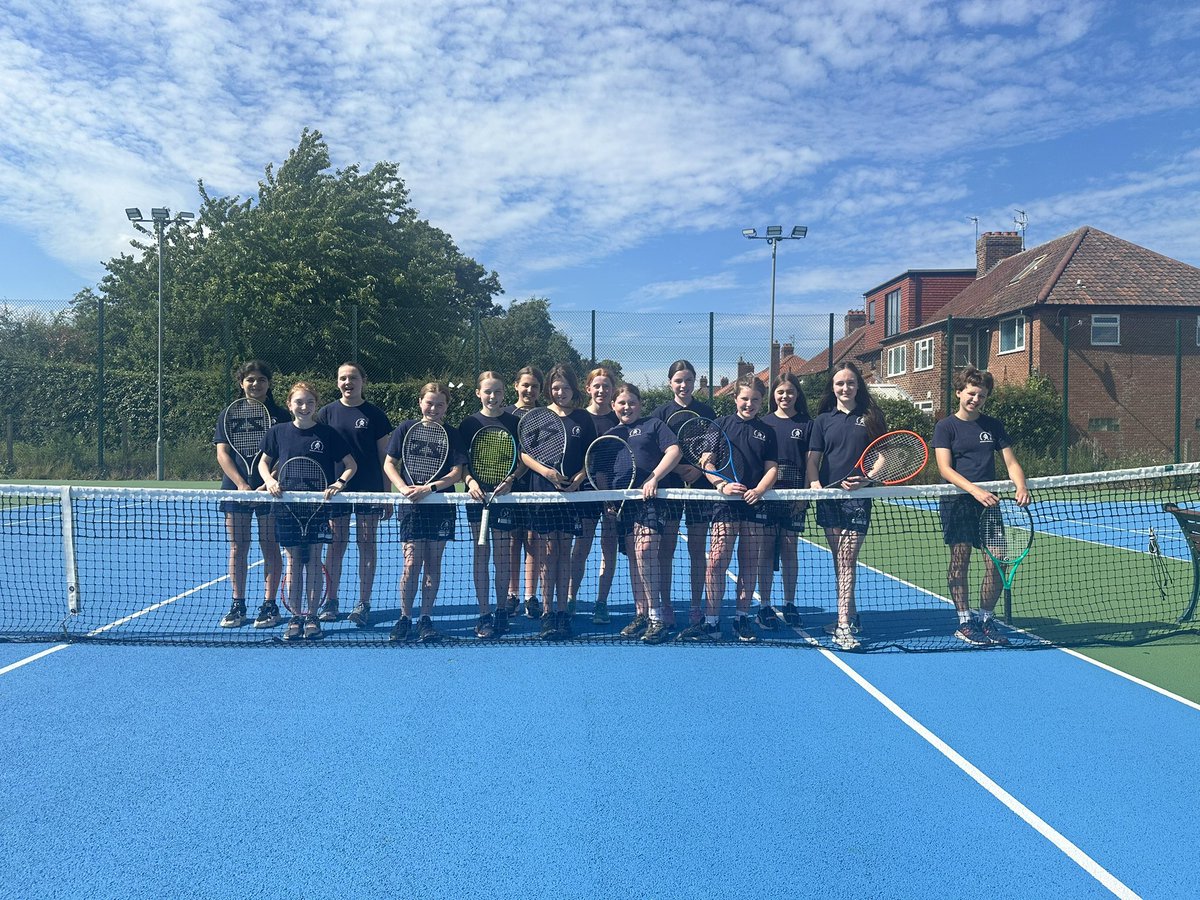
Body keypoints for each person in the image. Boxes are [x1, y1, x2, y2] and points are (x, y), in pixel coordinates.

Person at [934, 366, 1031, 646]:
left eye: (982, 396)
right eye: (971, 393)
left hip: (988, 506)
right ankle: (964, 621)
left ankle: (986, 619)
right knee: (960, 561)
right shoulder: (945, 427)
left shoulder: (993, 426)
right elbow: (945, 469)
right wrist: (975, 491)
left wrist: (1021, 486)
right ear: (959, 393)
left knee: (998, 562)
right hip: (958, 504)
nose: (976, 399)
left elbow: (1011, 463)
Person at [678, 375, 777, 643]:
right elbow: (706, 463)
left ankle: (741, 618)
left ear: (761, 401)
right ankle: (711, 622)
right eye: (744, 398)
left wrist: (759, 490)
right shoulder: (719, 426)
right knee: (716, 560)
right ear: (735, 398)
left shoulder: (767, 431)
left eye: (755, 399)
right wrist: (721, 485)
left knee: (749, 562)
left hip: (754, 504)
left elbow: (772, 469)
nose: (749, 404)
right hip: (724, 505)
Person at [258, 382, 357, 641]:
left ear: (316, 405)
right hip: (287, 508)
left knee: (313, 560)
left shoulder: (328, 434)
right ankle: (296, 617)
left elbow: (350, 465)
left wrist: (339, 483)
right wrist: (269, 480)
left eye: (310, 402)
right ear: (289, 405)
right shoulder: (277, 432)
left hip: (318, 509)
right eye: (299, 402)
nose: (304, 407)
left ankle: (311, 616)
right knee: (292, 563)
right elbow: (263, 463)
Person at [806, 362, 886, 651]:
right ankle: (850, 615)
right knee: (838, 560)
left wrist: (867, 479)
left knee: (847, 558)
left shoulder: (871, 417)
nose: (845, 388)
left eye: (850, 383)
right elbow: (813, 460)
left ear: (858, 386)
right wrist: (815, 484)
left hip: (858, 499)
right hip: (830, 498)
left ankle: (842, 626)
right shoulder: (822, 421)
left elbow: (882, 457)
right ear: (833, 387)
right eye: (840, 383)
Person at [383, 382, 465, 643]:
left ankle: (425, 618)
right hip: (412, 507)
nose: (434, 408)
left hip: (440, 506)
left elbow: (457, 473)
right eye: (429, 403)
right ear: (420, 402)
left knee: (432, 562)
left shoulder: (452, 434)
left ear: (446, 407)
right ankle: (405, 617)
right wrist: (403, 488)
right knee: (411, 563)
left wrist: (430, 488)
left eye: (440, 404)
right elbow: (389, 463)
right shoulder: (406, 429)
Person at [519, 364, 595, 639]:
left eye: (565, 388)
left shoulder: (583, 418)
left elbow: (591, 454)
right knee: (548, 554)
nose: (560, 392)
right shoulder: (538, 416)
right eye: (555, 388)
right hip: (543, 493)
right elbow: (524, 453)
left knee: (564, 551)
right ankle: (547, 613)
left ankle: (562, 613)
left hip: (571, 496)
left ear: (573, 389)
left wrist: (580, 477)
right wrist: (546, 472)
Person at [315, 362, 393, 628]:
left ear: (363, 381)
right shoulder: (326, 413)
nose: (348, 382)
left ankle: (363, 603)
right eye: (343, 378)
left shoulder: (376, 415)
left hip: (369, 489)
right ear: (337, 382)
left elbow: (385, 458)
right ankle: (331, 600)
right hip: (335, 491)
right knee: (336, 544)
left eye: (353, 378)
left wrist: (386, 495)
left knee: (367, 545)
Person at [606, 383, 682, 644]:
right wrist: (608, 498)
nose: (627, 407)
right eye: (622, 403)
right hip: (624, 503)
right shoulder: (611, 435)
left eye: (632, 402)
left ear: (640, 404)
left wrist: (654, 477)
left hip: (651, 499)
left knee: (646, 550)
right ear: (613, 406)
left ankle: (657, 616)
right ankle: (642, 613)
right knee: (634, 557)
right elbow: (603, 469)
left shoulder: (654, 425)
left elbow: (674, 451)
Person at [214, 360, 286, 630]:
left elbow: (286, 454)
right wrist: (242, 485)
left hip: (271, 492)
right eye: (250, 380)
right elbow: (222, 453)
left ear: (269, 383)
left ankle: (269, 605)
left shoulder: (281, 416)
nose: (256, 384)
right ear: (241, 383)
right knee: (238, 547)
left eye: (261, 379)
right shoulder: (228, 414)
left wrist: (268, 482)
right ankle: (238, 604)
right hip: (236, 491)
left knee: (270, 546)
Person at [650, 360, 717, 628]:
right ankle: (666, 605)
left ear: (694, 381)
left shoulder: (707, 412)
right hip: (670, 488)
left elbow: (712, 448)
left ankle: (695, 607)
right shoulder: (660, 413)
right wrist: (677, 469)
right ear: (670, 383)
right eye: (678, 380)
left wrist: (699, 470)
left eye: (688, 380)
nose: (683, 385)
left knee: (697, 550)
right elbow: (656, 451)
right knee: (665, 549)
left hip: (700, 487)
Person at [461, 371, 523, 639]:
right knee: (481, 554)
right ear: (478, 393)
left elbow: (523, 461)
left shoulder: (514, 422)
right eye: (487, 391)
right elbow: (461, 463)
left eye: (497, 391)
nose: (493, 396)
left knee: (502, 556)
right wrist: (470, 481)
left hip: (504, 497)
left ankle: (500, 611)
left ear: (504, 393)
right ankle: (484, 613)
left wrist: (511, 479)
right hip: (477, 498)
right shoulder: (469, 424)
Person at [758, 373, 812, 628]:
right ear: (773, 395)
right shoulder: (763, 423)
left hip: (795, 498)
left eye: (790, 391)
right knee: (765, 549)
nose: (785, 396)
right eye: (780, 392)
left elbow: (811, 463)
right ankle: (764, 605)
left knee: (790, 549)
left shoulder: (807, 424)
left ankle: (789, 603)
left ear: (797, 394)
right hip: (767, 498)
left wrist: (803, 496)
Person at [572, 366, 620, 624]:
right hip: (587, 493)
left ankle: (601, 603)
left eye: (606, 386)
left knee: (608, 549)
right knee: (581, 547)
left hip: (615, 493)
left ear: (613, 390)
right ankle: (570, 598)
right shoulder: (579, 418)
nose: (602, 390)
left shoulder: (619, 418)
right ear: (588, 388)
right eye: (597, 386)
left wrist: (611, 496)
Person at [506, 366, 543, 620]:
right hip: (509, 486)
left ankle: (531, 596)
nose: (529, 390)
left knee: (533, 540)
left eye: (535, 386)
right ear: (516, 386)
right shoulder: (506, 414)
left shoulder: (546, 415)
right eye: (525, 385)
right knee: (512, 541)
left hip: (537, 485)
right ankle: (512, 595)